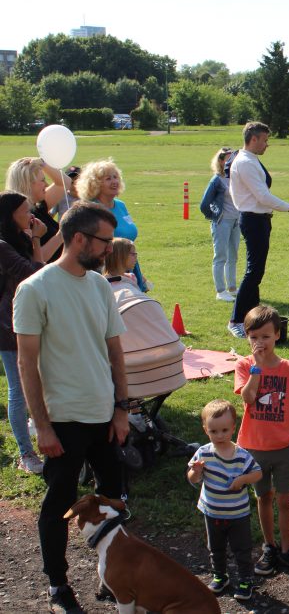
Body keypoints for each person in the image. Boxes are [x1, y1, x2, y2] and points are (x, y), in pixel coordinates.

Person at [13, 201, 129, 614]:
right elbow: (27, 363)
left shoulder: (100, 286)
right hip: (63, 420)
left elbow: (116, 352)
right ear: (78, 239)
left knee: (113, 496)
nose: (108, 250)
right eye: (103, 242)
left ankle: (110, 576)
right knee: (59, 503)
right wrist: (42, 427)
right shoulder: (35, 289)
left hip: (104, 415)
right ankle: (58, 585)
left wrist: (121, 409)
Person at [233, 305, 289, 576]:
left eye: (266, 337)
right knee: (263, 497)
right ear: (246, 337)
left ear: (277, 335)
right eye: (254, 337)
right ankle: (269, 546)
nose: (260, 343)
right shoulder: (244, 365)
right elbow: (247, 398)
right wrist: (257, 370)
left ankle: (287, 549)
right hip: (254, 447)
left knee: (285, 499)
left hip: (284, 448)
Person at [227, 122, 289, 338]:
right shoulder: (245, 162)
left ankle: (251, 318)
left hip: (259, 219)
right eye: (264, 140)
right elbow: (263, 197)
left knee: (257, 271)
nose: (267, 144)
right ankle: (236, 319)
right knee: (253, 271)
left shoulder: (250, 160)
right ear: (253, 139)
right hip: (253, 219)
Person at [187, 399, 262, 601]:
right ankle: (220, 576)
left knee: (241, 549)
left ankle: (246, 579)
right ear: (205, 430)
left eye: (224, 430)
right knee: (216, 548)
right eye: (214, 431)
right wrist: (196, 471)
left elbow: (257, 474)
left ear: (233, 429)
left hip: (238, 514)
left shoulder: (241, 455)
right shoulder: (203, 453)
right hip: (212, 512)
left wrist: (242, 479)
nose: (219, 435)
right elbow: (192, 479)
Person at [0, 191, 48, 474]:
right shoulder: (3, 245)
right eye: (25, 210)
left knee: (37, 381)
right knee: (19, 388)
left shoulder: (14, 239)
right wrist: (36, 238)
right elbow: (35, 275)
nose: (31, 214)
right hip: (8, 325)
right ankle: (25, 453)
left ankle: (38, 434)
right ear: (9, 215)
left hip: (25, 320)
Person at [74, 158, 149, 293]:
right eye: (108, 178)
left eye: (116, 177)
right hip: (105, 272)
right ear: (95, 184)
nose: (114, 181)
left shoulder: (121, 205)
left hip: (129, 266)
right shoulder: (91, 209)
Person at [5, 157, 68, 261]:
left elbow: (65, 182)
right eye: (42, 180)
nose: (47, 184)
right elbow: (35, 259)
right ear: (28, 184)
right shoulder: (19, 217)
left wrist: (43, 163)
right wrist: (61, 236)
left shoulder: (39, 206)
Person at [200, 146, 239, 302]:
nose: (232, 161)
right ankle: (220, 291)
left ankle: (232, 287)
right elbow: (204, 204)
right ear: (221, 161)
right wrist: (215, 216)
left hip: (237, 221)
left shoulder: (236, 177)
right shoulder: (217, 179)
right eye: (228, 158)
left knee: (233, 255)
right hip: (222, 222)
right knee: (220, 256)